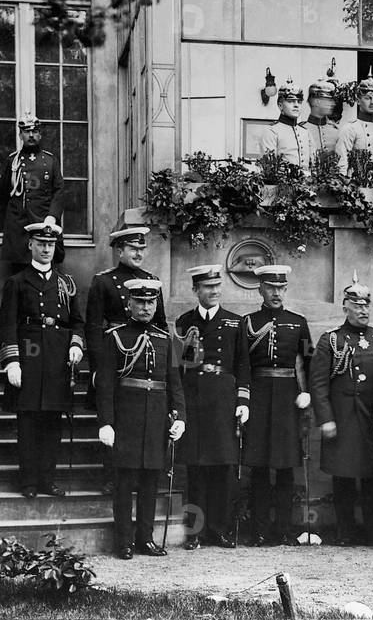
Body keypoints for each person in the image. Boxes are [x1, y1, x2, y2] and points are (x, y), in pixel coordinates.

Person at [96, 279, 185, 559]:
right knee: (124, 483)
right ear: (129, 304)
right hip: (127, 419)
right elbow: (105, 385)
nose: (146, 307)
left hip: (157, 419)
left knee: (150, 482)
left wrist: (180, 416)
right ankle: (124, 541)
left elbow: (175, 383)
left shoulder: (166, 339)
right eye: (141, 302)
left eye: (151, 302)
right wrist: (106, 422)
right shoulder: (115, 337)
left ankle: (145, 538)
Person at [0, 217, 84, 499]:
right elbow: (8, 324)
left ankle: (48, 479)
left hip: (58, 362)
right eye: (41, 244)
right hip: (29, 358)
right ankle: (29, 482)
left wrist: (76, 345)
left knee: (53, 425)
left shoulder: (66, 283)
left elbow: (78, 322)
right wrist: (12, 361)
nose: (46, 249)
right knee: (28, 425)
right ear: (30, 245)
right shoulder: (17, 282)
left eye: (50, 244)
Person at [84, 226, 167, 494]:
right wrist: (97, 367)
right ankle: (112, 476)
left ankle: (143, 475)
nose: (139, 253)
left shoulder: (152, 282)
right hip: (115, 355)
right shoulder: (104, 281)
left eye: (142, 249)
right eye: (133, 249)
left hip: (144, 356)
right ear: (120, 250)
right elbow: (94, 327)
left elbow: (161, 325)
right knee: (113, 414)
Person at [238, 264, 313, 545]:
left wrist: (307, 393)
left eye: (281, 288)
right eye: (270, 288)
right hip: (257, 397)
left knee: (284, 468)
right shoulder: (247, 322)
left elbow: (308, 360)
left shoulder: (298, 322)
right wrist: (243, 398)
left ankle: (283, 529)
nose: (276, 293)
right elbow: (242, 364)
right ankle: (258, 530)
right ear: (260, 289)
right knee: (258, 467)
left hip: (286, 399)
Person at [174, 265, 247, 550]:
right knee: (195, 472)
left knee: (222, 471)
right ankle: (195, 533)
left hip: (222, 401)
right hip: (194, 400)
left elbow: (243, 365)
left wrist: (243, 401)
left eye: (217, 287)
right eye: (207, 287)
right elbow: (181, 366)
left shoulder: (234, 322)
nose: (214, 292)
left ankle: (220, 530)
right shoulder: (184, 321)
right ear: (196, 290)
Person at [310, 272, 373, 546]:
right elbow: (318, 384)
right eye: (357, 305)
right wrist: (326, 419)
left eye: (366, 305)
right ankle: (345, 532)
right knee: (343, 478)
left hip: (372, 418)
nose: (363, 310)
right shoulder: (331, 340)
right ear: (345, 307)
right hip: (342, 419)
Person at [0, 111, 64, 274]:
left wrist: (52, 216)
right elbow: (2, 194)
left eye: (35, 131)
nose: (31, 135)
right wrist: (12, 220)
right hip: (19, 228)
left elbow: (59, 191)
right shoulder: (12, 161)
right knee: (19, 277)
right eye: (27, 132)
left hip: (44, 224)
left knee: (46, 274)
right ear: (20, 135)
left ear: (40, 134)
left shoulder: (50, 161)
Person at [260, 77, 313, 171]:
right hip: (282, 184)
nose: (296, 105)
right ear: (280, 105)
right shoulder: (271, 131)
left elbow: (312, 166)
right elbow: (269, 170)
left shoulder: (305, 132)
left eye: (299, 101)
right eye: (291, 101)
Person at [300, 74, 340, 157]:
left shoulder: (335, 131)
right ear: (316, 101)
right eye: (329, 100)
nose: (333, 104)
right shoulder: (301, 130)